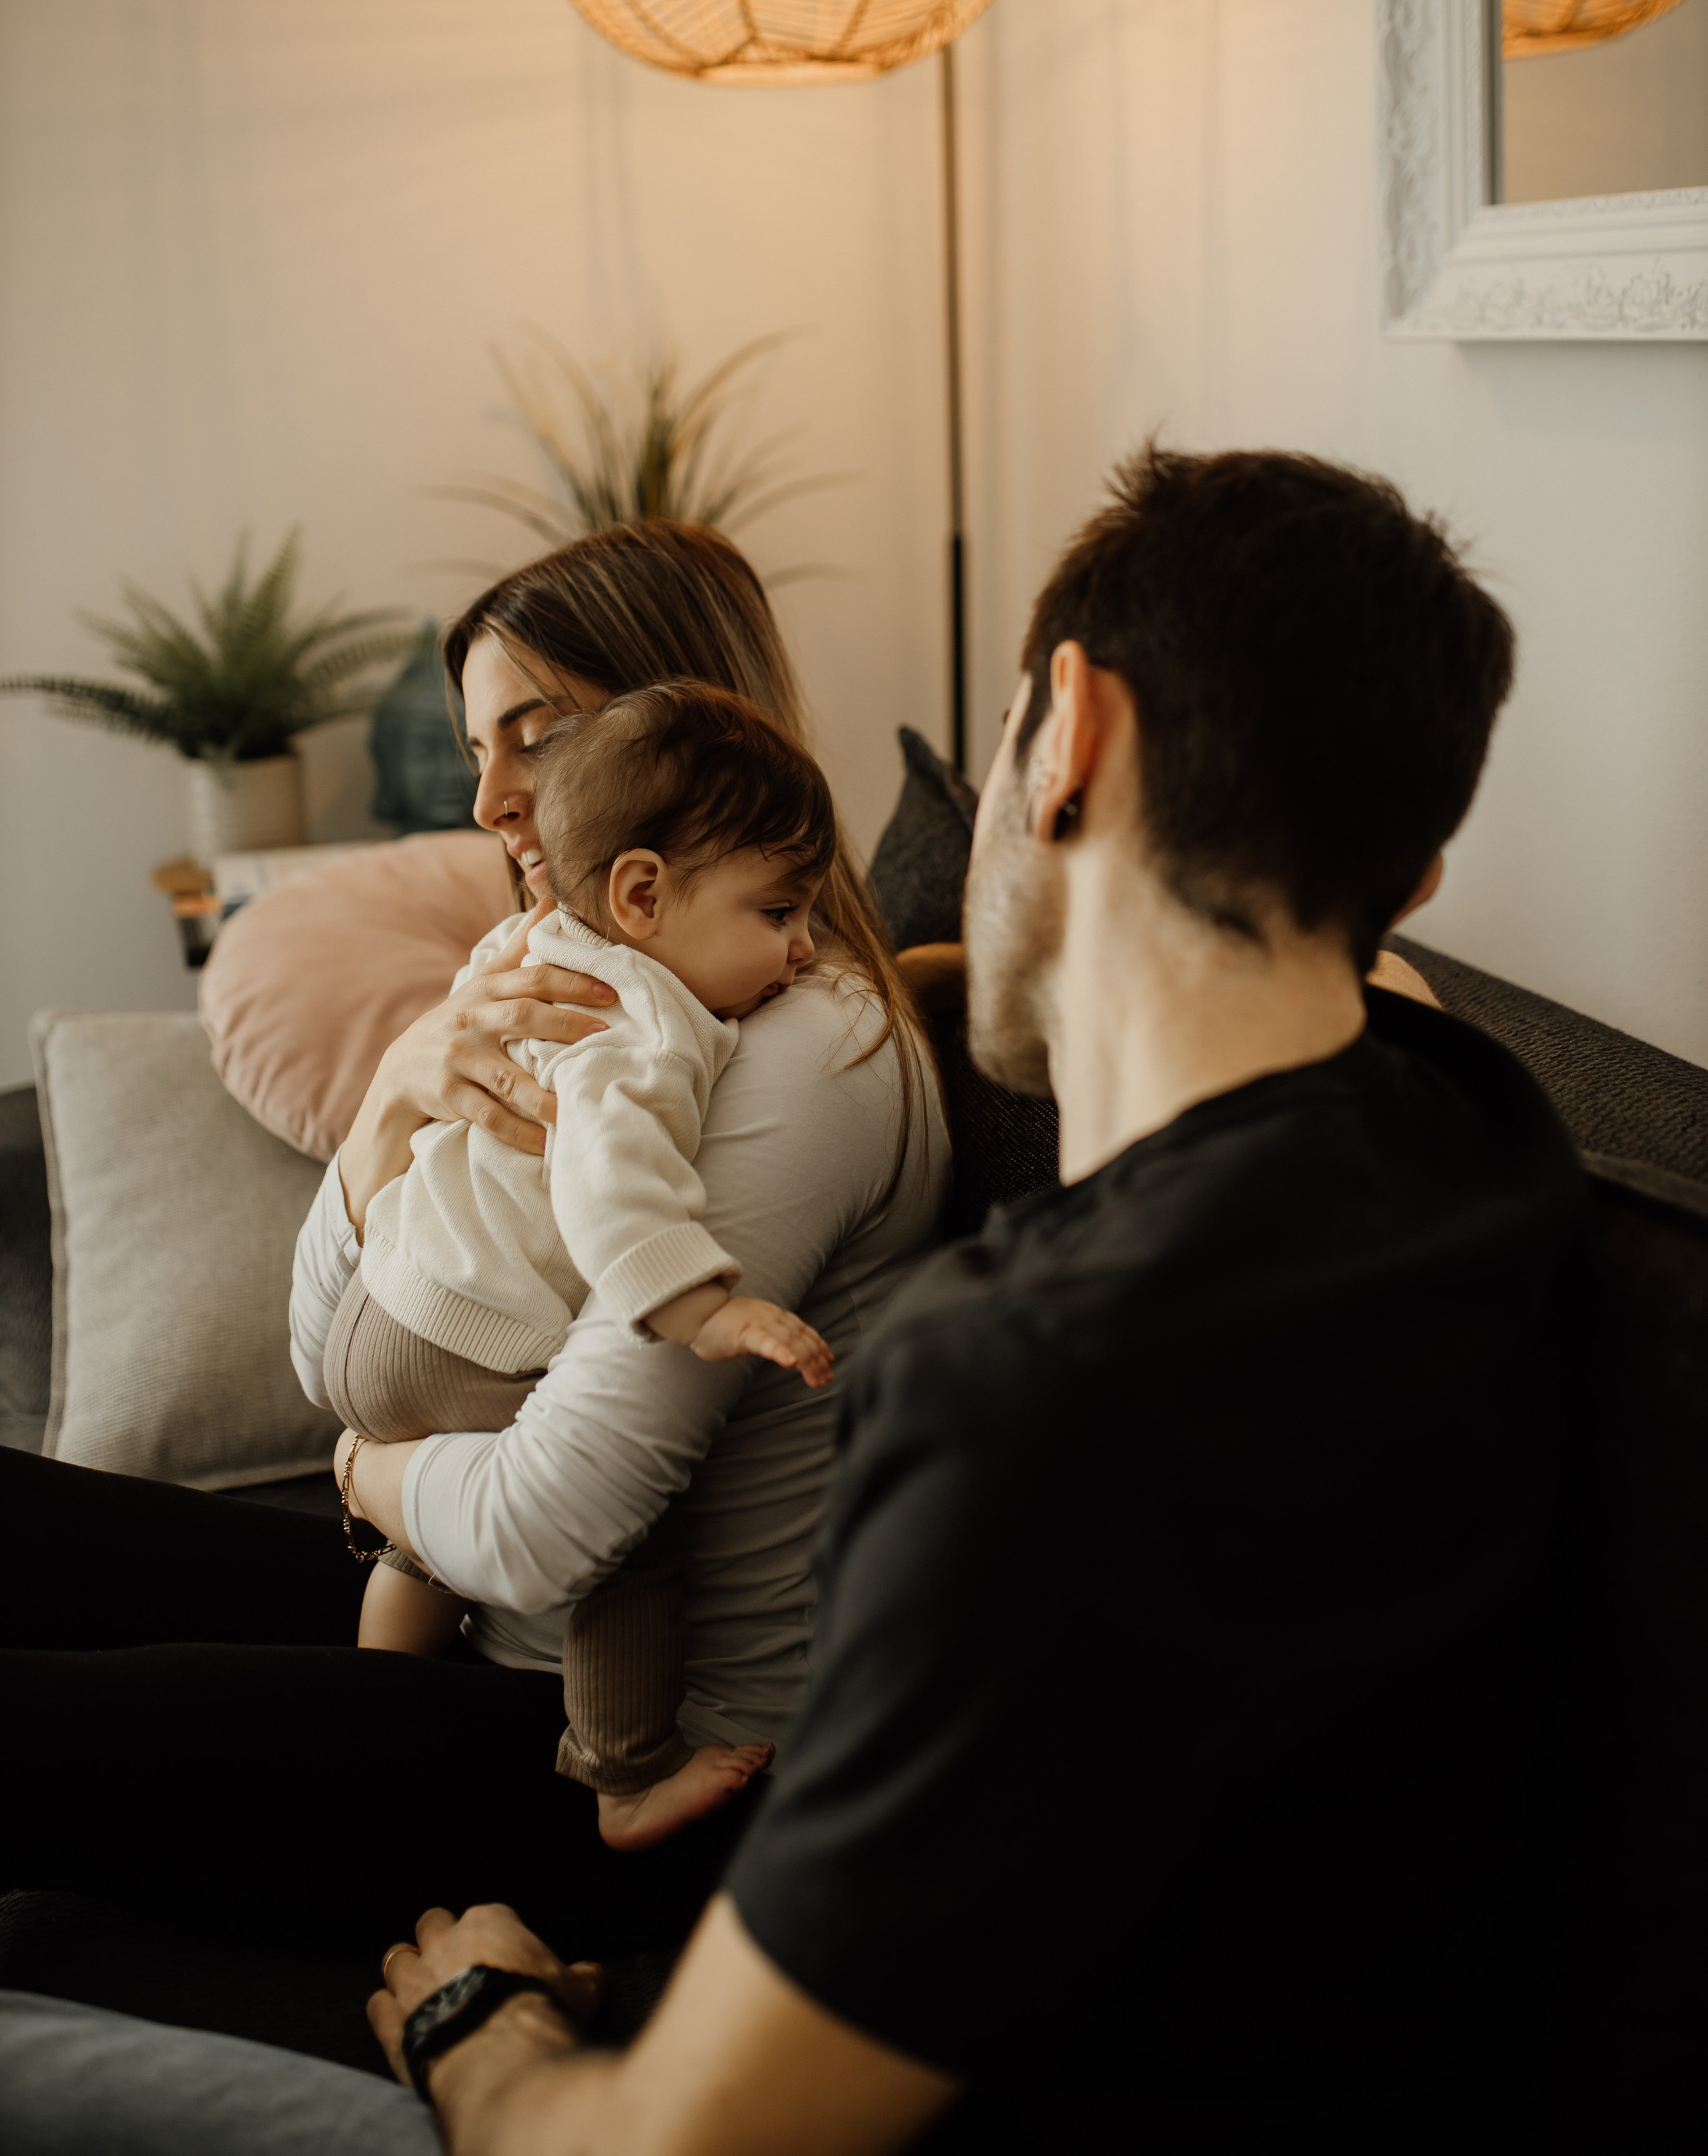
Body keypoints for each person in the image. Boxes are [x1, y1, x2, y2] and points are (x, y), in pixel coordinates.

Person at [0, 448, 1589, 2151]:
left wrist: (479, 2034)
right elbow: (1360, 979)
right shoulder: (1472, 1141)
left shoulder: (1028, 1389)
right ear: (1405, 877)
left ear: (1069, 735)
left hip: (630, 1778)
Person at [0, 522, 945, 1979]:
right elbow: (329, 1354)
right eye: (475, 747)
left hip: (624, 1753)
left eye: (536, 735)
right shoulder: (589, 987)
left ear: (686, 726)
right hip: (481, 1621)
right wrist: (395, 1101)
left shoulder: (801, 1054)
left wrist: (368, 1478)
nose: (491, 797)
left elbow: (547, 1525)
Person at [328, 682, 841, 1853]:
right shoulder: (643, 1016)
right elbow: (613, 1166)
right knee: (635, 1541)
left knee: (420, 1546)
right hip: (464, 1330)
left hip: (382, 1309)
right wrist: (698, 1307)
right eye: (778, 913)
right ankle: (625, 1771)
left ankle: (372, 1707)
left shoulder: (528, 945)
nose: (804, 949)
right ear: (643, 894)